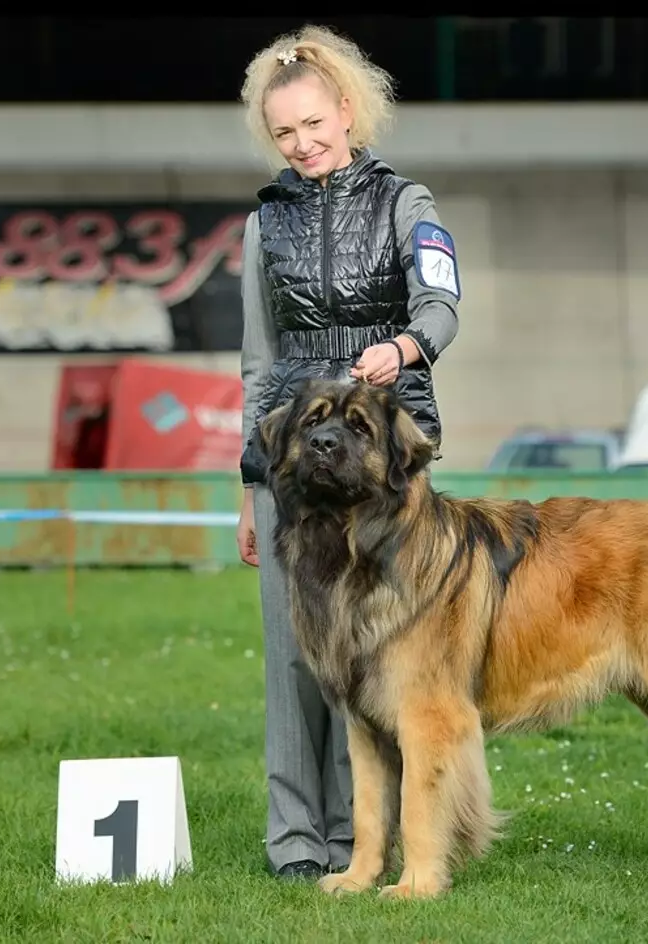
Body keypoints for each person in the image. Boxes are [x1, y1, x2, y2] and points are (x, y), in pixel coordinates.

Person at [234, 25, 462, 881]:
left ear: (348, 110)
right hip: (290, 470)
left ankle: (367, 841)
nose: (303, 144)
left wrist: (402, 350)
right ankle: (298, 842)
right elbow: (259, 365)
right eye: (284, 132)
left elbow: (443, 306)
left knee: (379, 651)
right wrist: (247, 487)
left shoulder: (408, 203)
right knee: (296, 655)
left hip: (382, 467)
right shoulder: (265, 223)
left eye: (314, 124)